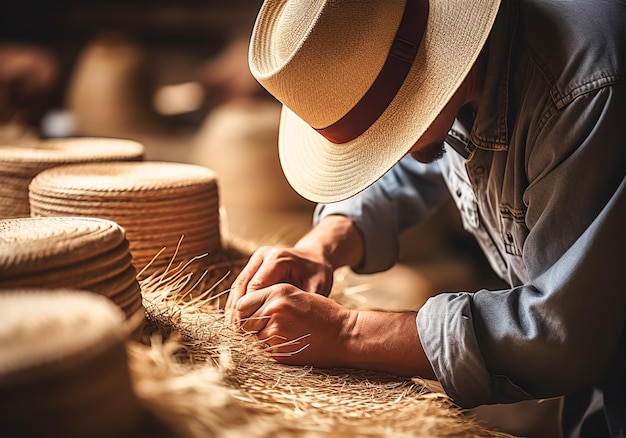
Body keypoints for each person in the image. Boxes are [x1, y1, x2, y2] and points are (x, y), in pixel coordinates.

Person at [223, 0, 626, 436]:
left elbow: (561, 336)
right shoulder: (441, 53)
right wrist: (321, 244)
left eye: (391, 129)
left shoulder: (584, 90)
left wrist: (347, 331)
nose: (388, 147)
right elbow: (419, 154)